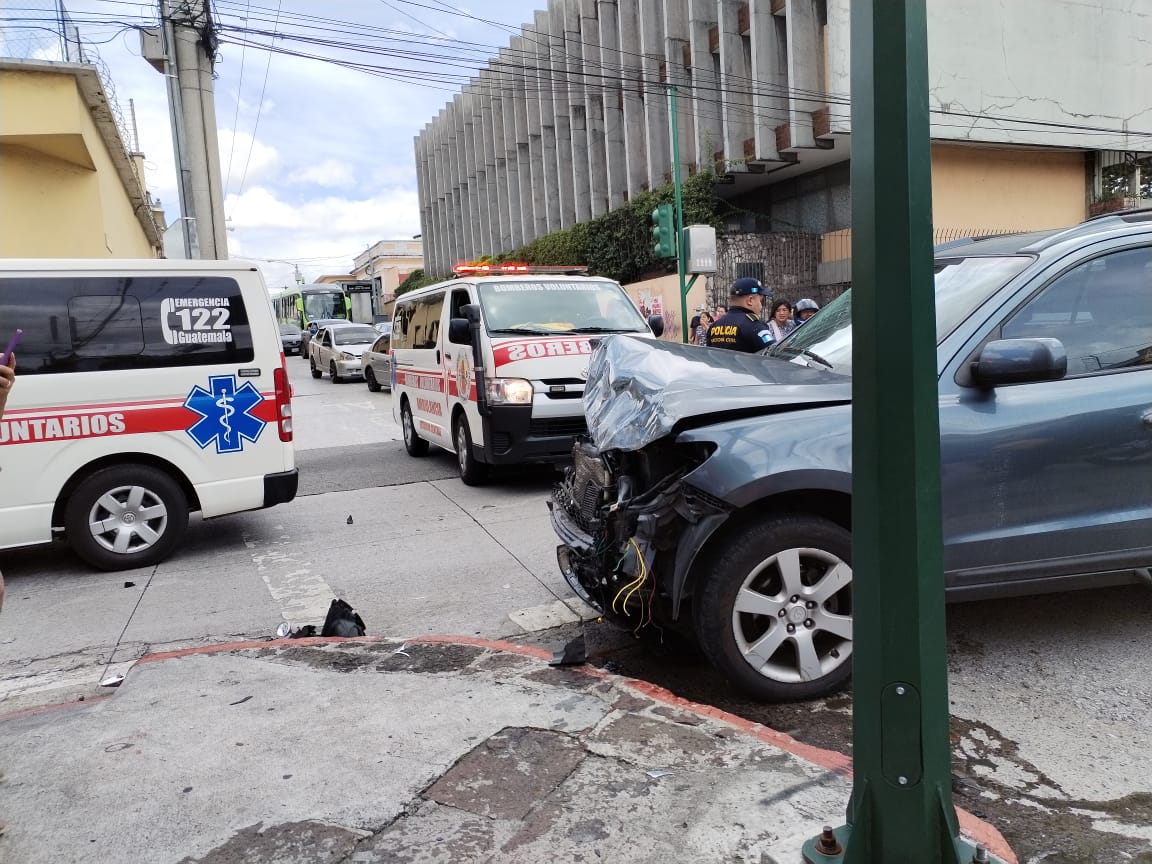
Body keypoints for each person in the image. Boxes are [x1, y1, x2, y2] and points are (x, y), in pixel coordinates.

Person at [707, 278, 773, 352]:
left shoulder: (714, 325)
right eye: (760, 301)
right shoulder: (755, 326)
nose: (761, 305)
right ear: (750, 300)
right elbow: (772, 354)